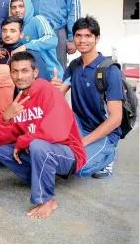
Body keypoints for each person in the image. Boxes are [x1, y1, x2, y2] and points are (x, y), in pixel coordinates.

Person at [0, 51, 86, 219]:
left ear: (35, 73)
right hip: (40, 151)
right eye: (15, 71)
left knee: (37, 145)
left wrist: (23, 141)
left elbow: (56, 131)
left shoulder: (47, 90)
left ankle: (47, 200)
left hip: (68, 153)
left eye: (25, 71)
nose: (20, 76)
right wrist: (6, 116)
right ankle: (38, 179)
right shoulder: (19, 100)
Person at [51, 16, 123, 179]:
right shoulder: (74, 66)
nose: (82, 40)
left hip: (104, 133)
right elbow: (57, 97)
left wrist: (83, 142)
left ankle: (109, 155)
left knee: (79, 169)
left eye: (88, 36)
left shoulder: (110, 70)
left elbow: (116, 118)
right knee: (62, 160)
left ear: (97, 38)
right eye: (78, 35)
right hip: (78, 126)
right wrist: (53, 87)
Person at [9, 0, 62, 80]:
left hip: (50, 75)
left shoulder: (37, 20)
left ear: (28, 6)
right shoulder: (14, 28)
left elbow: (52, 39)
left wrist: (26, 46)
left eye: (21, 6)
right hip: (28, 78)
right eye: (14, 7)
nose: (17, 10)